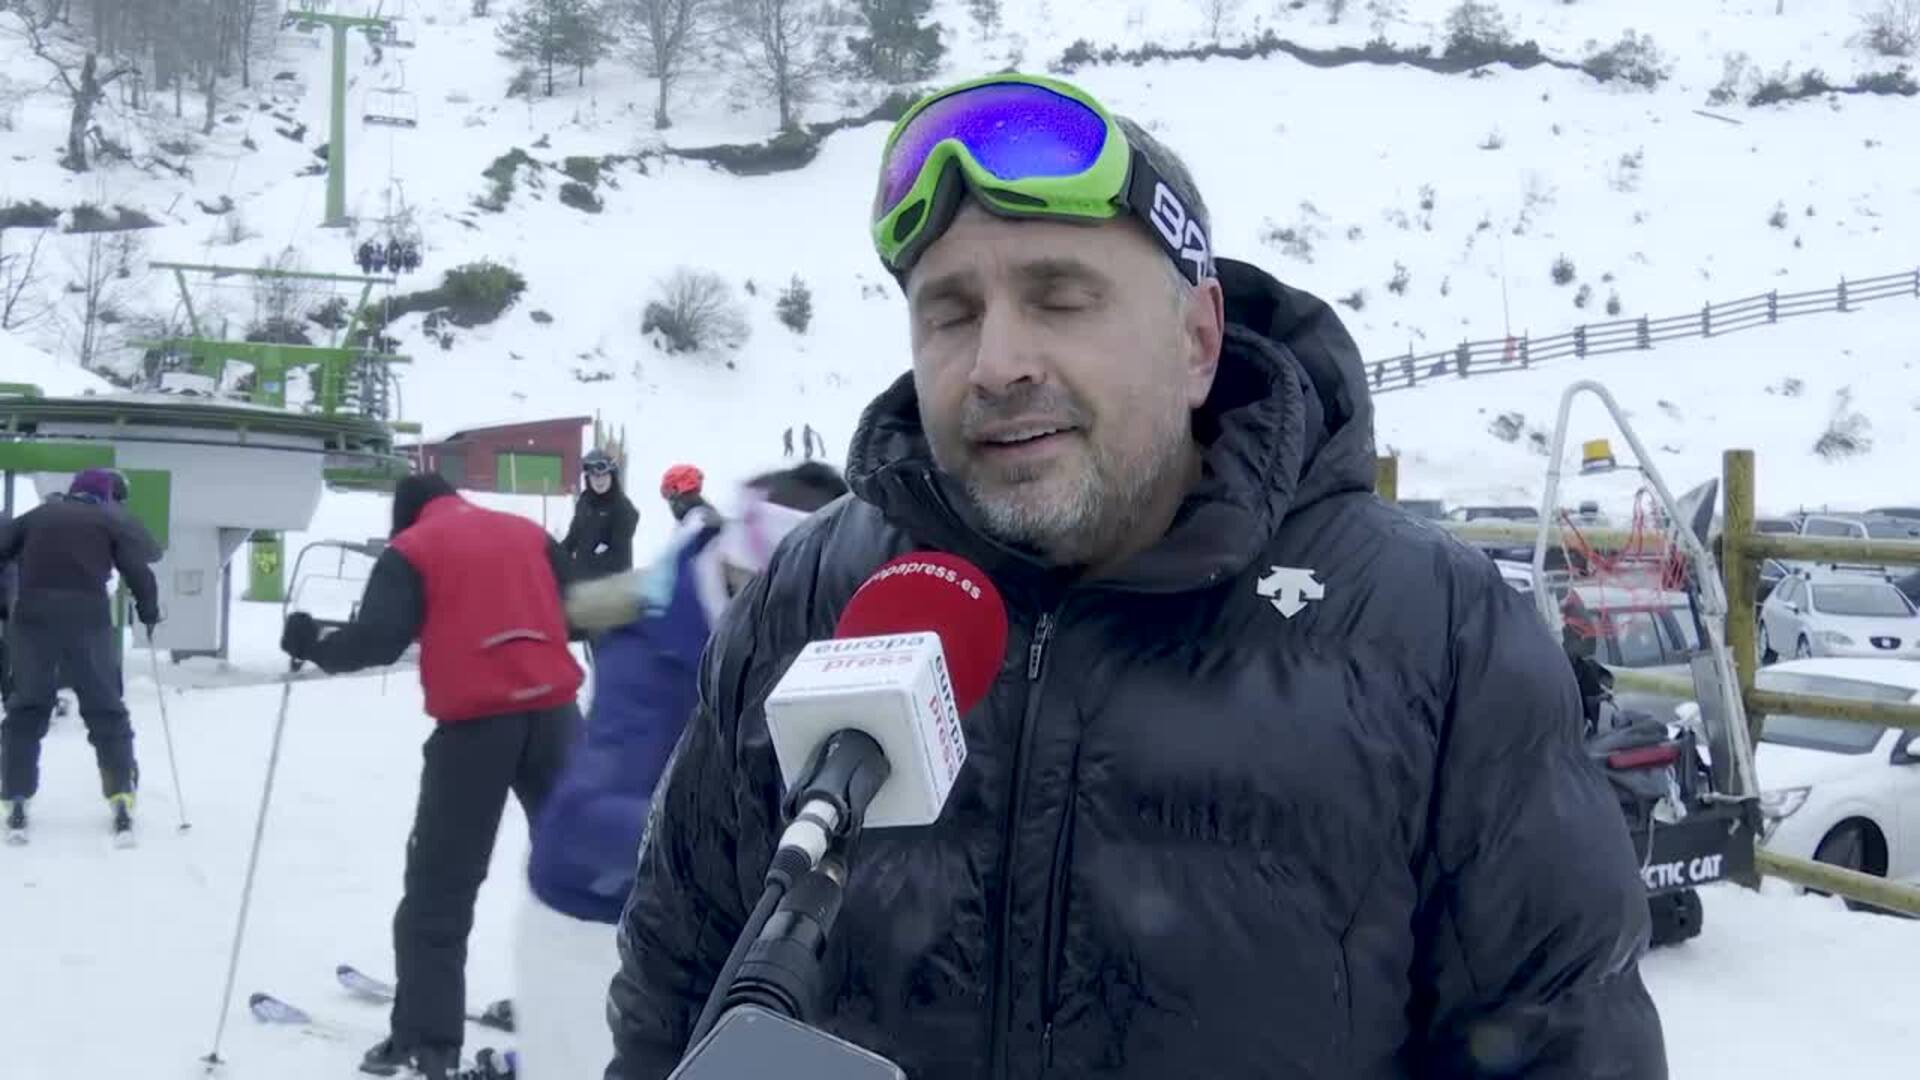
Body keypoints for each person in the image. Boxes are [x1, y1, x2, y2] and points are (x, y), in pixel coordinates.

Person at [604, 72, 1664, 1080]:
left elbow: (1565, 1042)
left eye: (1061, 298)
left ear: (1198, 341)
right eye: (951, 312)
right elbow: (672, 986)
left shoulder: (1437, 633)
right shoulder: (813, 589)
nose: (997, 362)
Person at [512, 461, 848, 1080]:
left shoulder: (804, 633)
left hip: (721, 945)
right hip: (594, 929)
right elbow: (589, 816)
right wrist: (757, 836)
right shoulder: (659, 645)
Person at [279, 473, 582, 1080]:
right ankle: (583, 1013)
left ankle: (426, 1042)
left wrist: (312, 640)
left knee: (438, 895)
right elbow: (579, 615)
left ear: (406, 516)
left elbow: (379, 642)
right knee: (578, 879)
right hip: (557, 721)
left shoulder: (412, 550)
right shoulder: (527, 533)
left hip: (476, 732)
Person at [0, 469, 161, 839]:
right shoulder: (109, 520)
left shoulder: (38, 515)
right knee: (104, 706)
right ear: (104, 496)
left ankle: (16, 794)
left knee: (26, 706)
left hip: (33, 617)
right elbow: (140, 569)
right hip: (88, 619)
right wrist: (149, 612)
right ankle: (120, 791)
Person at [561, 449, 640, 583]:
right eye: (594, 476)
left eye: (604, 475)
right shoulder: (584, 502)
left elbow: (618, 558)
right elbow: (572, 538)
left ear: (612, 476)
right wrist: (554, 555)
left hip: (612, 587)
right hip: (584, 584)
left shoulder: (622, 508)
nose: (599, 480)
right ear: (588, 478)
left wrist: (579, 566)